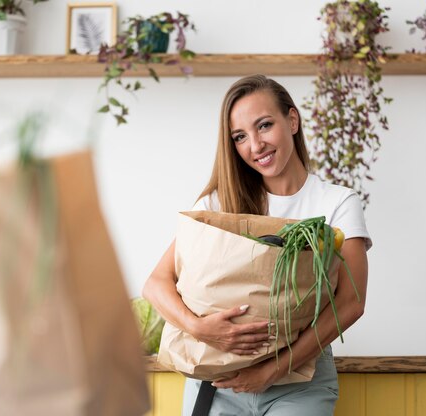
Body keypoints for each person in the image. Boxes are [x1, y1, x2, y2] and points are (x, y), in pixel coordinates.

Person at [142, 74, 371, 415]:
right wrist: (200, 328)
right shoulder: (219, 203)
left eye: (264, 126)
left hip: (299, 381)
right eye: (240, 137)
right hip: (218, 380)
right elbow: (156, 284)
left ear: (292, 120)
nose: (255, 145)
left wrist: (272, 370)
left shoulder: (336, 202)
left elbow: (350, 302)